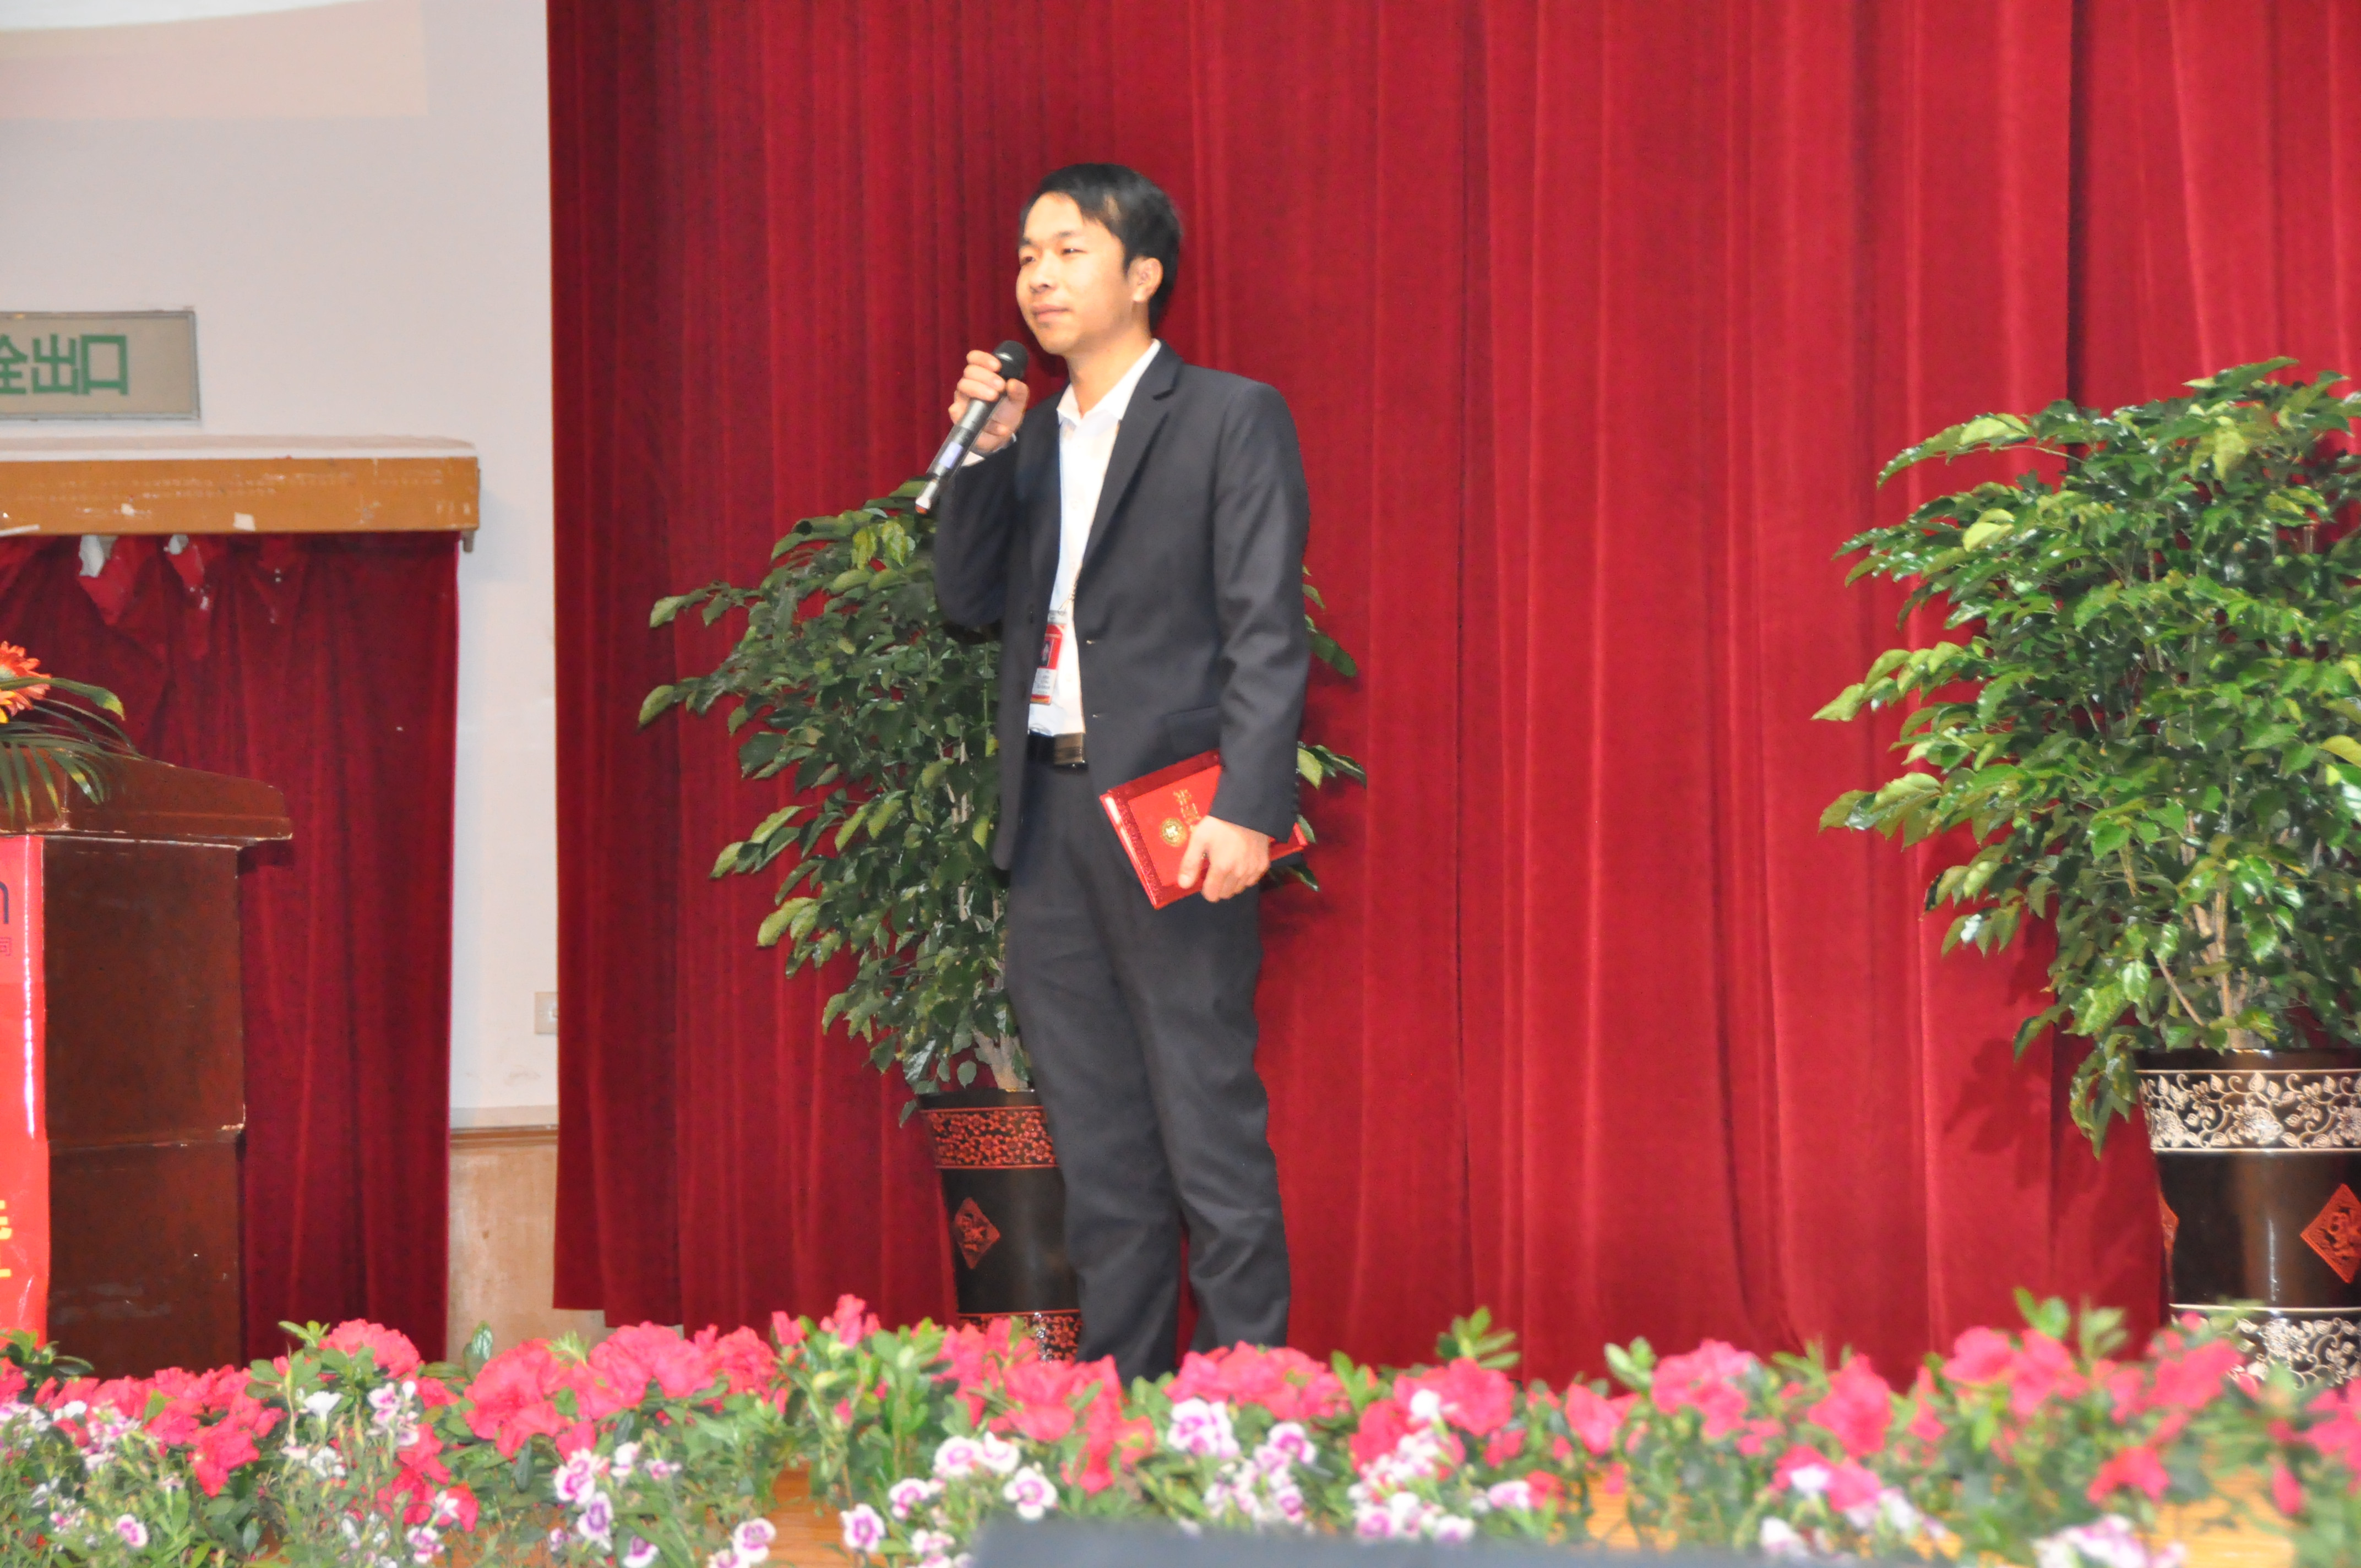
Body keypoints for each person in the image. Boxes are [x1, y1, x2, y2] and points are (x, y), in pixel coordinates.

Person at [930, 164, 1309, 1384]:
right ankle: (1122, 1409)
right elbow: (967, 602)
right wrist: (982, 457)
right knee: (1095, 1144)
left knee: (1206, 1128)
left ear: (1142, 275)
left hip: (1172, 815)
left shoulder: (1228, 417)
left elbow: (1266, 629)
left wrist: (1248, 806)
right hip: (1048, 820)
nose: (1037, 277)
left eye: (1069, 251)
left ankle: (1243, 1409)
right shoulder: (1031, 435)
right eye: (1026, 255)